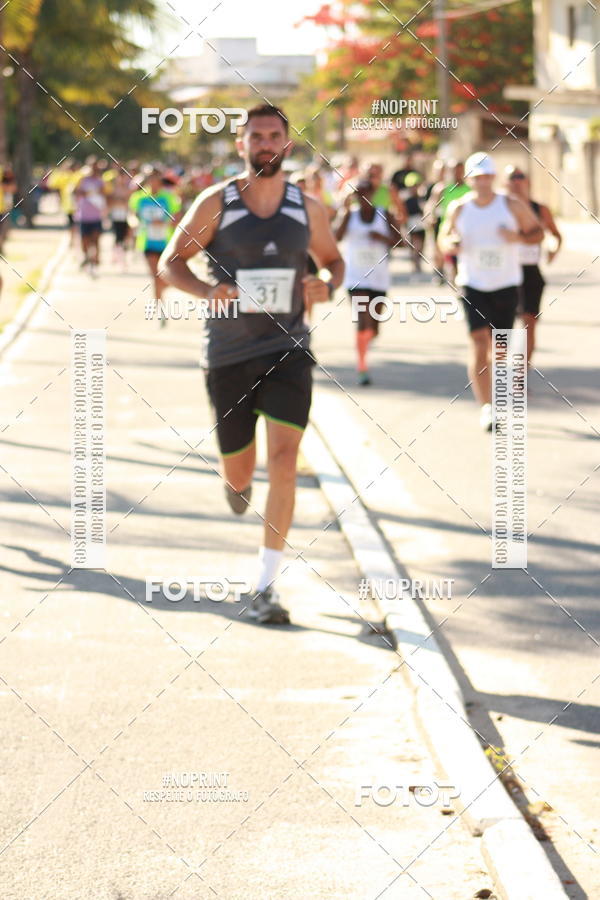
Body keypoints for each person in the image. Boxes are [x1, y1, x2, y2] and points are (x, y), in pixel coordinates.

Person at [159, 104, 344, 624]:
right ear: (240, 145)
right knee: (241, 471)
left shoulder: (307, 207)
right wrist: (207, 290)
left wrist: (325, 284)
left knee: (284, 461)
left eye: (274, 136)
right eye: (256, 136)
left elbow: (333, 261)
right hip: (228, 355)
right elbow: (169, 262)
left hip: (288, 348)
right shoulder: (215, 203)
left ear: (288, 144)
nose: (266, 144)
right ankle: (235, 482)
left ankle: (266, 585)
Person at [438, 151, 543, 431]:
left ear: (493, 178)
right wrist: (452, 244)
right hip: (472, 283)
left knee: (499, 348)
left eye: (486, 176)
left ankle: (495, 399)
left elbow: (538, 232)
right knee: (478, 343)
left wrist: (518, 237)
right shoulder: (459, 208)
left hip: (506, 284)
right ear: (469, 179)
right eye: (477, 177)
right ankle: (487, 407)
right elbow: (443, 238)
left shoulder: (511, 205)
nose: (482, 182)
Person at [336, 179, 398, 385]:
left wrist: (382, 237)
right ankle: (362, 366)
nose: (362, 197)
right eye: (357, 193)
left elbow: (400, 241)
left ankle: (366, 341)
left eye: (365, 193)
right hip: (355, 277)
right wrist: (342, 211)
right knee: (362, 319)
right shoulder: (349, 215)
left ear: (372, 193)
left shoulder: (384, 214)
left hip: (378, 278)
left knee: (373, 326)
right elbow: (335, 237)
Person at [504, 165, 562, 365]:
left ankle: (520, 375)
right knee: (503, 326)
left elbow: (556, 235)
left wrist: (553, 250)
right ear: (505, 182)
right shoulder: (500, 208)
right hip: (504, 272)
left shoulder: (540, 209)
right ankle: (502, 371)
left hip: (530, 272)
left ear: (528, 182)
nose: (517, 181)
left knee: (529, 323)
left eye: (521, 177)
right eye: (512, 177)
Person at [129, 169, 182, 325]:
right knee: (156, 276)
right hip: (147, 242)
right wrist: (136, 223)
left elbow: (178, 218)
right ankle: (161, 311)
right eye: (150, 179)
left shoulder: (170, 198)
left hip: (166, 242)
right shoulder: (138, 198)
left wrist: (164, 223)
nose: (153, 182)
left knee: (164, 277)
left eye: (156, 179)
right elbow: (132, 215)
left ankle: (164, 295)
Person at [74, 156, 107, 274]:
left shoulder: (100, 181)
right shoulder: (82, 179)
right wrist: (85, 192)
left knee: (96, 240)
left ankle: (95, 260)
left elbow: (105, 194)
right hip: (83, 216)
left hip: (96, 216)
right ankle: (86, 257)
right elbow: (76, 191)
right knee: (85, 241)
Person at [403, 172, 427, 277]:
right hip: (412, 226)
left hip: (421, 225)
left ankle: (418, 262)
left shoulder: (421, 199)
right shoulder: (407, 201)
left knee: (421, 246)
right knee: (415, 245)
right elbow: (404, 214)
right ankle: (415, 264)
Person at [108, 169, 133, 268]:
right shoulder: (113, 189)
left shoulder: (128, 189)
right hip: (116, 217)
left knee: (126, 237)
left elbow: (129, 202)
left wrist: (121, 201)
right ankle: (120, 258)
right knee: (118, 237)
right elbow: (111, 202)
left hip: (126, 217)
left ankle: (120, 256)